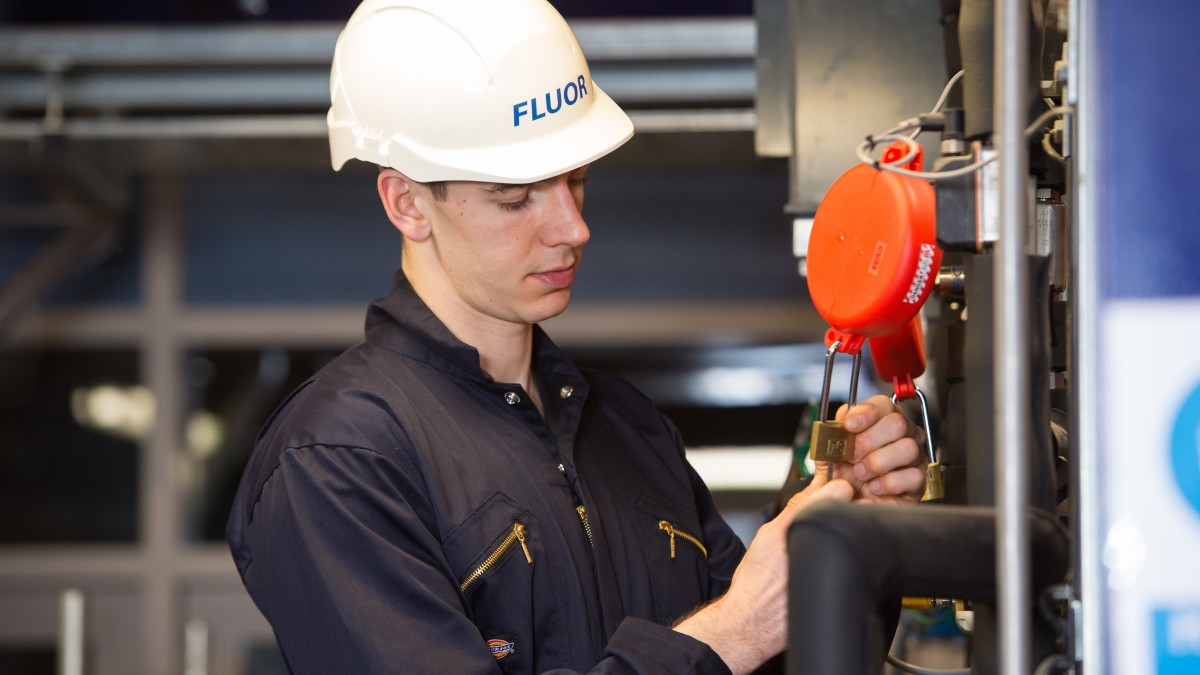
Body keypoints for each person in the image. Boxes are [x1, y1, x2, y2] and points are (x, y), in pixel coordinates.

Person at [226, 0, 926, 673]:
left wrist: (847, 539)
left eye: (577, 181)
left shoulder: (629, 430)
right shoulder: (340, 457)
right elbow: (731, 638)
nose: (572, 227)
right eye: (517, 196)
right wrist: (732, 630)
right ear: (409, 203)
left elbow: (764, 656)